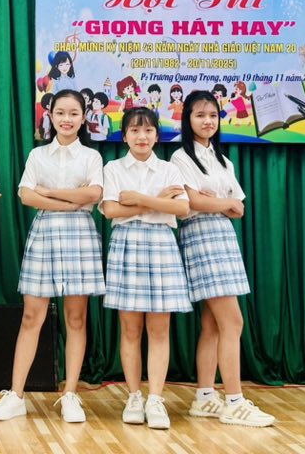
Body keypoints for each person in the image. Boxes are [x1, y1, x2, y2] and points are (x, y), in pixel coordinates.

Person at [0, 90, 104, 424]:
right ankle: (16, 395)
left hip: (80, 236)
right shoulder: (38, 154)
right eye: (60, 113)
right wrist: (70, 202)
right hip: (45, 233)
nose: (67, 119)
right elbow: (26, 196)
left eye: (74, 113)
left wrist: (50, 192)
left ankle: (70, 394)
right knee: (31, 316)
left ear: (84, 118)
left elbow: (94, 194)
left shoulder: (92, 157)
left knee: (76, 319)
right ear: (50, 115)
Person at [171, 91, 275, 427]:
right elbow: (191, 202)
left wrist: (216, 202)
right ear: (187, 119)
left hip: (223, 237)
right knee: (233, 322)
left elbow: (239, 208)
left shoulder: (223, 160)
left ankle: (204, 396)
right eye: (200, 115)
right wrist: (220, 203)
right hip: (201, 237)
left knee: (214, 324)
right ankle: (234, 401)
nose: (207, 121)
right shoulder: (180, 157)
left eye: (213, 115)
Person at [100, 106, 191, 430]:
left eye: (148, 130)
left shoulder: (169, 169)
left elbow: (181, 208)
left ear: (157, 135)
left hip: (161, 245)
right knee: (130, 329)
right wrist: (157, 201)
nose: (142, 136)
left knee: (159, 329)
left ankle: (155, 399)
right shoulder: (113, 168)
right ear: (124, 136)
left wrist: (138, 199)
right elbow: (111, 210)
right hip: (126, 244)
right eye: (135, 130)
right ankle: (134, 396)